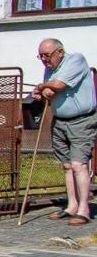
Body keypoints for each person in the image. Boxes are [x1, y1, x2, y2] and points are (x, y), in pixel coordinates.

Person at [36, 38, 95, 226]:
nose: (44, 60)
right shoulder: (50, 68)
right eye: (41, 56)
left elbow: (59, 85)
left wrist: (43, 87)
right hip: (60, 120)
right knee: (68, 165)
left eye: (47, 55)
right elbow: (50, 89)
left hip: (81, 120)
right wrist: (42, 91)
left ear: (60, 52)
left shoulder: (76, 60)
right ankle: (71, 206)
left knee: (79, 164)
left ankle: (84, 210)